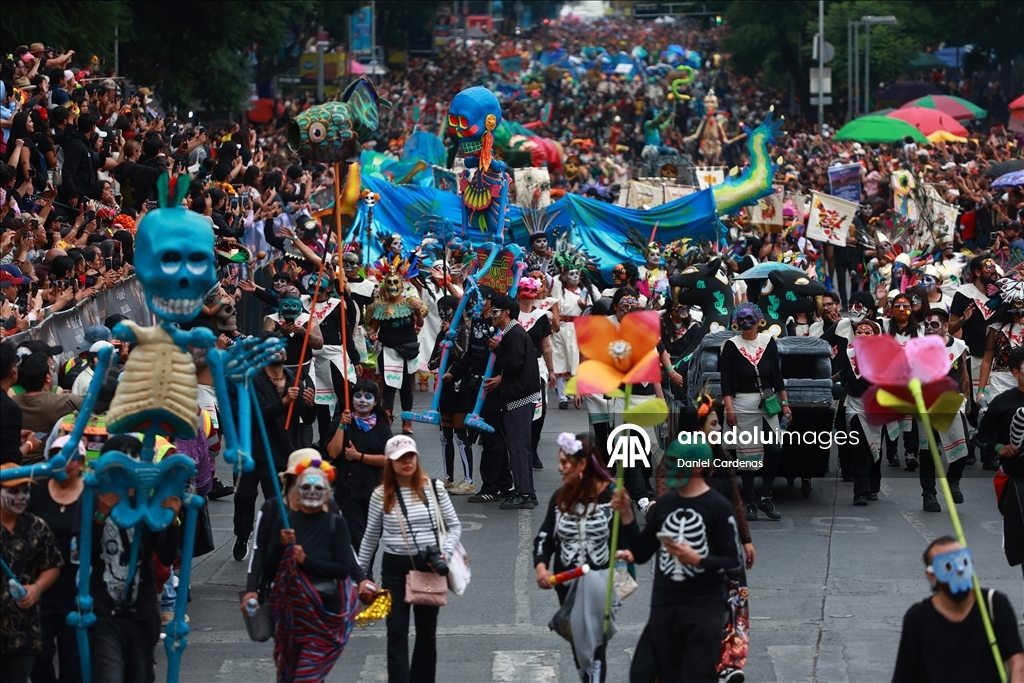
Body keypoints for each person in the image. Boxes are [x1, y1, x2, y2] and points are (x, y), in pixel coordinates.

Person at [612, 443, 743, 683]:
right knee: (648, 674)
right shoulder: (666, 504)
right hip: (666, 607)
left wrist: (698, 559)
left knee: (696, 676)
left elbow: (733, 561)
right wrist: (628, 517)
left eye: (677, 462)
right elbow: (642, 552)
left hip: (703, 609)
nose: (669, 469)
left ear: (699, 466)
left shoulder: (719, 507)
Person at [357, 435, 462, 683]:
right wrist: (360, 576)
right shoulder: (381, 494)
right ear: (389, 463)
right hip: (393, 570)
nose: (407, 462)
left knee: (426, 634)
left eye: (410, 456)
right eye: (400, 458)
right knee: (396, 633)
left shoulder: (434, 488)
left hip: (429, 567)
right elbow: (370, 537)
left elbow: (454, 526)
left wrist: (444, 553)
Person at [86, 435, 181, 683]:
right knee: (109, 675)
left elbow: (167, 557)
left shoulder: (149, 502)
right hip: (104, 608)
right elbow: (82, 552)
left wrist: (171, 521)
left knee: (140, 675)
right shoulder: (94, 498)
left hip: (142, 609)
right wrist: (99, 517)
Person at [534, 432, 624, 683]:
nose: (560, 468)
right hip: (566, 582)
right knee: (578, 641)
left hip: (600, 583)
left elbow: (629, 541)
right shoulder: (560, 498)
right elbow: (544, 537)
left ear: (582, 465)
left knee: (596, 644)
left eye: (566, 463)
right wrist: (541, 567)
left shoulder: (610, 497)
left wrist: (625, 556)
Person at [263, 456, 362, 682]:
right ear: (297, 491)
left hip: (323, 609)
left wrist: (305, 560)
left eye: (318, 488)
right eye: (306, 487)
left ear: (326, 493)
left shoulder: (336, 523)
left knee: (307, 674)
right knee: (292, 671)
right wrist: (280, 545)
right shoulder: (286, 523)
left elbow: (342, 569)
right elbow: (269, 571)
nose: (311, 492)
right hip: (293, 612)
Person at [892, 537, 1024, 683]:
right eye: (948, 566)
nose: (959, 570)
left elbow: (1018, 663)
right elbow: (905, 676)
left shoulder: (995, 604)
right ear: (932, 575)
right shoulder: (918, 618)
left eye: (964, 562)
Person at [232, 336, 316, 561]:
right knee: (244, 497)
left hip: (281, 450)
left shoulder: (296, 381)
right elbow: (259, 414)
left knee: (277, 502)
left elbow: (306, 419)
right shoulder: (252, 380)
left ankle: (277, 543)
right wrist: (284, 402)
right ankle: (242, 534)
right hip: (252, 450)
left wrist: (310, 405)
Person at [718, 302, 792, 521]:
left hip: (768, 402)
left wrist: (785, 404)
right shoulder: (730, 345)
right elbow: (725, 380)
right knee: (747, 454)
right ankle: (750, 501)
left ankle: (766, 497)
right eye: (742, 320)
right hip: (741, 403)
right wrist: (729, 408)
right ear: (737, 322)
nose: (746, 324)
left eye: (750, 320)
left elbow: (777, 375)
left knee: (774, 449)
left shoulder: (768, 342)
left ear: (759, 321)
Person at [27, 436, 87, 683]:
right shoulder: (36, 489)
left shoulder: (91, 494)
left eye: (72, 458)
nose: (64, 463)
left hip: (76, 586)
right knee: (37, 654)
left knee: (73, 658)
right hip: (40, 584)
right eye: (57, 456)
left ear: (82, 463)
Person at [0, 463, 63, 683]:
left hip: (24, 632)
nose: (21, 497)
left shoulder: (37, 526)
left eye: (25, 491)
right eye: (13, 491)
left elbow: (52, 564)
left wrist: (37, 588)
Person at [488, 294, 541, 510]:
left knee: (518, 447)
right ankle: (527, 491)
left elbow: (512, 365)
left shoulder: (514, 335)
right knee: (520, 447)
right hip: (518, 398)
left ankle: (524, 493)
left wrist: (497, 350)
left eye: (495, 311)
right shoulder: (512, 333)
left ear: (506, 313)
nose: (492, 315)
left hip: (519, 399)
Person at [325, 378, 391, 551]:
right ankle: (360, 568)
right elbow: (332, 453)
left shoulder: (382, 427)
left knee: (373, 539)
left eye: (368, 396)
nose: (362, 400)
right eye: (358, 396)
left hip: (374, 490)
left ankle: (362, 566)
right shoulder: (341, 422)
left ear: (375, 402)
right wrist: (341, 426)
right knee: (358, 538)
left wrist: (358, 456)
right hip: (347, 490)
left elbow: (388, 459)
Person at [976, 346, 1024, 578]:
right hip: (1017, 481)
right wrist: (999, 448)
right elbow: (981, 436)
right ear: (1015, 373)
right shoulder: (1003, 403)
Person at [13, 352, 83, 463]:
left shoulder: (12, 402)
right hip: (46, 465)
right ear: (47, 378)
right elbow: (89, 403)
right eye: (51, 369)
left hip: (15, 463)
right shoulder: (59, 402)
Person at [517, 277, 556, 470]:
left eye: (533, 291)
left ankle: (533, 448)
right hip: (514, 368)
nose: (529, 295)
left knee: (539, 411)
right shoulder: (509, 314)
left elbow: (546, 346)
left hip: (537, 368)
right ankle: (517, 449)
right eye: (525, 290)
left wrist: (551, 370)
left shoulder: (541, 316)